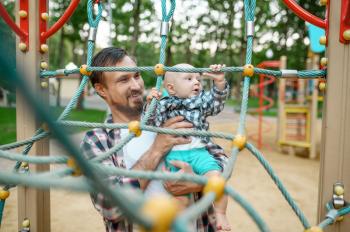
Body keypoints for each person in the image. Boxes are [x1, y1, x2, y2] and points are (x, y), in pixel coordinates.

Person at [80, 47, 228, 232]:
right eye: (124, 80)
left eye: (136, 75)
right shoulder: (97, 140)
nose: (136, 86)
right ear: (101, 90)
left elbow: (220, 156)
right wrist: (156, 150)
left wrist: (199, 182)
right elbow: (110, 206)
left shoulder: (168, 117)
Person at [146, 63, 230, 231]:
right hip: (175, 157)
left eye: (198, 79)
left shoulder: (200, 101)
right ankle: (181, 225)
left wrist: (219, 83)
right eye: (189, 79)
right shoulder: (165, 104)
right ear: (171, 88)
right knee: (180, 199)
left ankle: (221, 213)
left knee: (217, 180)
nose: (197, 82)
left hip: (200, 153)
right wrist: (151, 104)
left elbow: (216, 103)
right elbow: (151, 122)